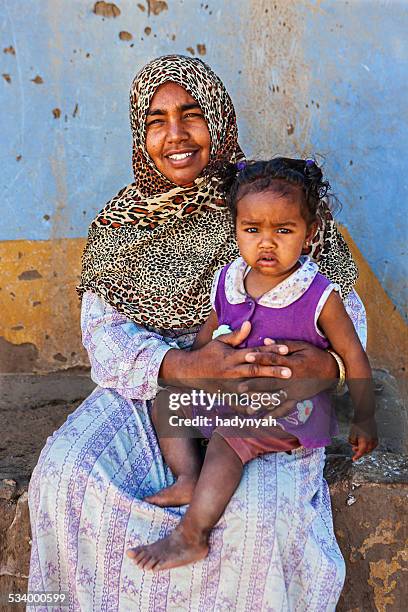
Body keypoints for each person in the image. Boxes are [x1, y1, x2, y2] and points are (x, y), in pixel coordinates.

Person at [28, 55, 367, 610]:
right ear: (141, 135)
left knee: (258, 516)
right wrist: (187, 365)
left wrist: (323, 368)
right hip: (151, 388)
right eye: (156, 120)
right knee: (67, 476)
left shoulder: (273, 200)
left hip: (267, 398)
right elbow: (105, 335)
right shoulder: (120, 228)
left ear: (220, 119)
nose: (176, 135)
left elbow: (345, 312)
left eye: (191, 114)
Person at [130, 157, 378, 572]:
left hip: (284, 410)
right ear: (236, 229)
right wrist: (204, 369)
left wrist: (365, 417)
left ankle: (192, 535)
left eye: (283, 230)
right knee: (166, 400)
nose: (267, 243)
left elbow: (353, 356)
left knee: (228, 442)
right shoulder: (228, 279)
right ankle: (189, 475)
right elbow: (206, 339)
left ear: (309, 233)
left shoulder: (318, 294)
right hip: (231, 395)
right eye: (253, 230)